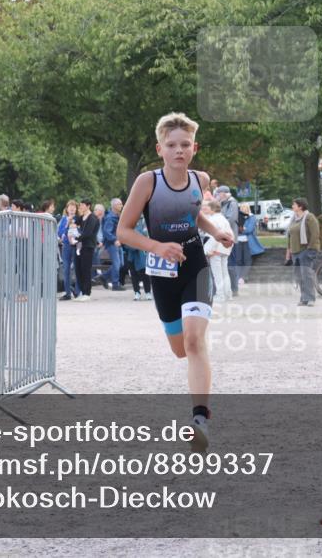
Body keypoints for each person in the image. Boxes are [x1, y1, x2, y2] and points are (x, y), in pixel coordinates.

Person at [117, 112, 233, 453]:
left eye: (185, 145)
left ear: (194, 148)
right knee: (180, 348)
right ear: (160, 148)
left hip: (195, 264)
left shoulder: (201, 179)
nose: (179, 151)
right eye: (171, 145)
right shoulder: (147, 182)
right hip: (161, 270)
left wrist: (215, 231)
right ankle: (198, 399)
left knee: (196, 341)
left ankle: (200, 420)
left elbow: (192, 211)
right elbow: (123, 231)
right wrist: (157, 247)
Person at [286, 198, 321, 307]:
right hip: (295, 251)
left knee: (307, 275)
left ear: (300, 206)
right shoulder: (294, 219)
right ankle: (304, 298)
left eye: (294, 204)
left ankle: (310, 298)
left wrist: (310, 249)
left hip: (306, 250)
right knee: (299, 276)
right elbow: (290, 235)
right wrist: (289, 250)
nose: (292, 206)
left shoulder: (309, 217)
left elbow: (315, 234)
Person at [202, 199, 234, 302]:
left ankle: (220, 295)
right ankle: (228, 294)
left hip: (216, 249)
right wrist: (228, 249)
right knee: (225, 273)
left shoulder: (212, 220)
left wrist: (209, 251)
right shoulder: (224, 219)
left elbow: (213, 237)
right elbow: (231, 236)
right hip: (224, 249)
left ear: (212, 209)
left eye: (208, 208)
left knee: (218, 274)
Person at [215, 186, 240, 297]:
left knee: (231, 264)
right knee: (227, 265)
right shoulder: (224, 203)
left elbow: (231, 219)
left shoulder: (232, 203)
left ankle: (234, 288)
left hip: (229, 237)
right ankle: (228, 289)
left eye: (219, 194)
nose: (218, 196)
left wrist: (220, 226)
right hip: (224, 237)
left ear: (224, 193)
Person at [73, 199, 100, 302]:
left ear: (88, 206)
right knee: (78, 269)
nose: (80, 207)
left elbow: (88, 233)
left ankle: (87, 293)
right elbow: (75, 223)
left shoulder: (92, 218)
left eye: (82, 205)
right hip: (80, 246)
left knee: (85, 269)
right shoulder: (82, 217)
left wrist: (76, 238)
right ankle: (82, 291)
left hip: (88, 246)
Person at [233, 203, 265, 286]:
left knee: (247, 260)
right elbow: (235, 229)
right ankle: (237, 278)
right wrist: (242, 229)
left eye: (245, 208)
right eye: (242, 208)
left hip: (248, 242)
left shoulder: (252, 217)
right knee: (238, 260)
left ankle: (242, 278)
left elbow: (249, 229)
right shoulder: (237, 217)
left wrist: (241, 229)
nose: (244, 209)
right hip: (238, 241)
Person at [122, 218, 153, 301]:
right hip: (131, 253)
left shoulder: (143, 221)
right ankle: (137, 292)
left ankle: (148, 292)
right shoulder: (127, 221)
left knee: (144, 273)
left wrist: (135, 237)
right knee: (133, 274)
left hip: (141, 252)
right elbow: (125, 238)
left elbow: (145, 235)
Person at [101, 198, 126, 291]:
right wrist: (114, 240)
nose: (121, 206)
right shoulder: (110, 218)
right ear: (114, 206)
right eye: (119, 204)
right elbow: (107, 232)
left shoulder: (117, 216)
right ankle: (115, 284)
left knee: (121, 264)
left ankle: (104, 276)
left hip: (117, 243)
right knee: (117, 264)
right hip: (113, 243)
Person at [57, 200, 79, 301]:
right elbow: (60, 232)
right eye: (70, 206)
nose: (72, 208)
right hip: (66, 245)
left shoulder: (78, 219)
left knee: (76, 268)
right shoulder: (63, 219)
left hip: (76, 245)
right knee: (66, 269)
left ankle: (78, 291)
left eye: (74, 206)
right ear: (66, 208)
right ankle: (68, 292)